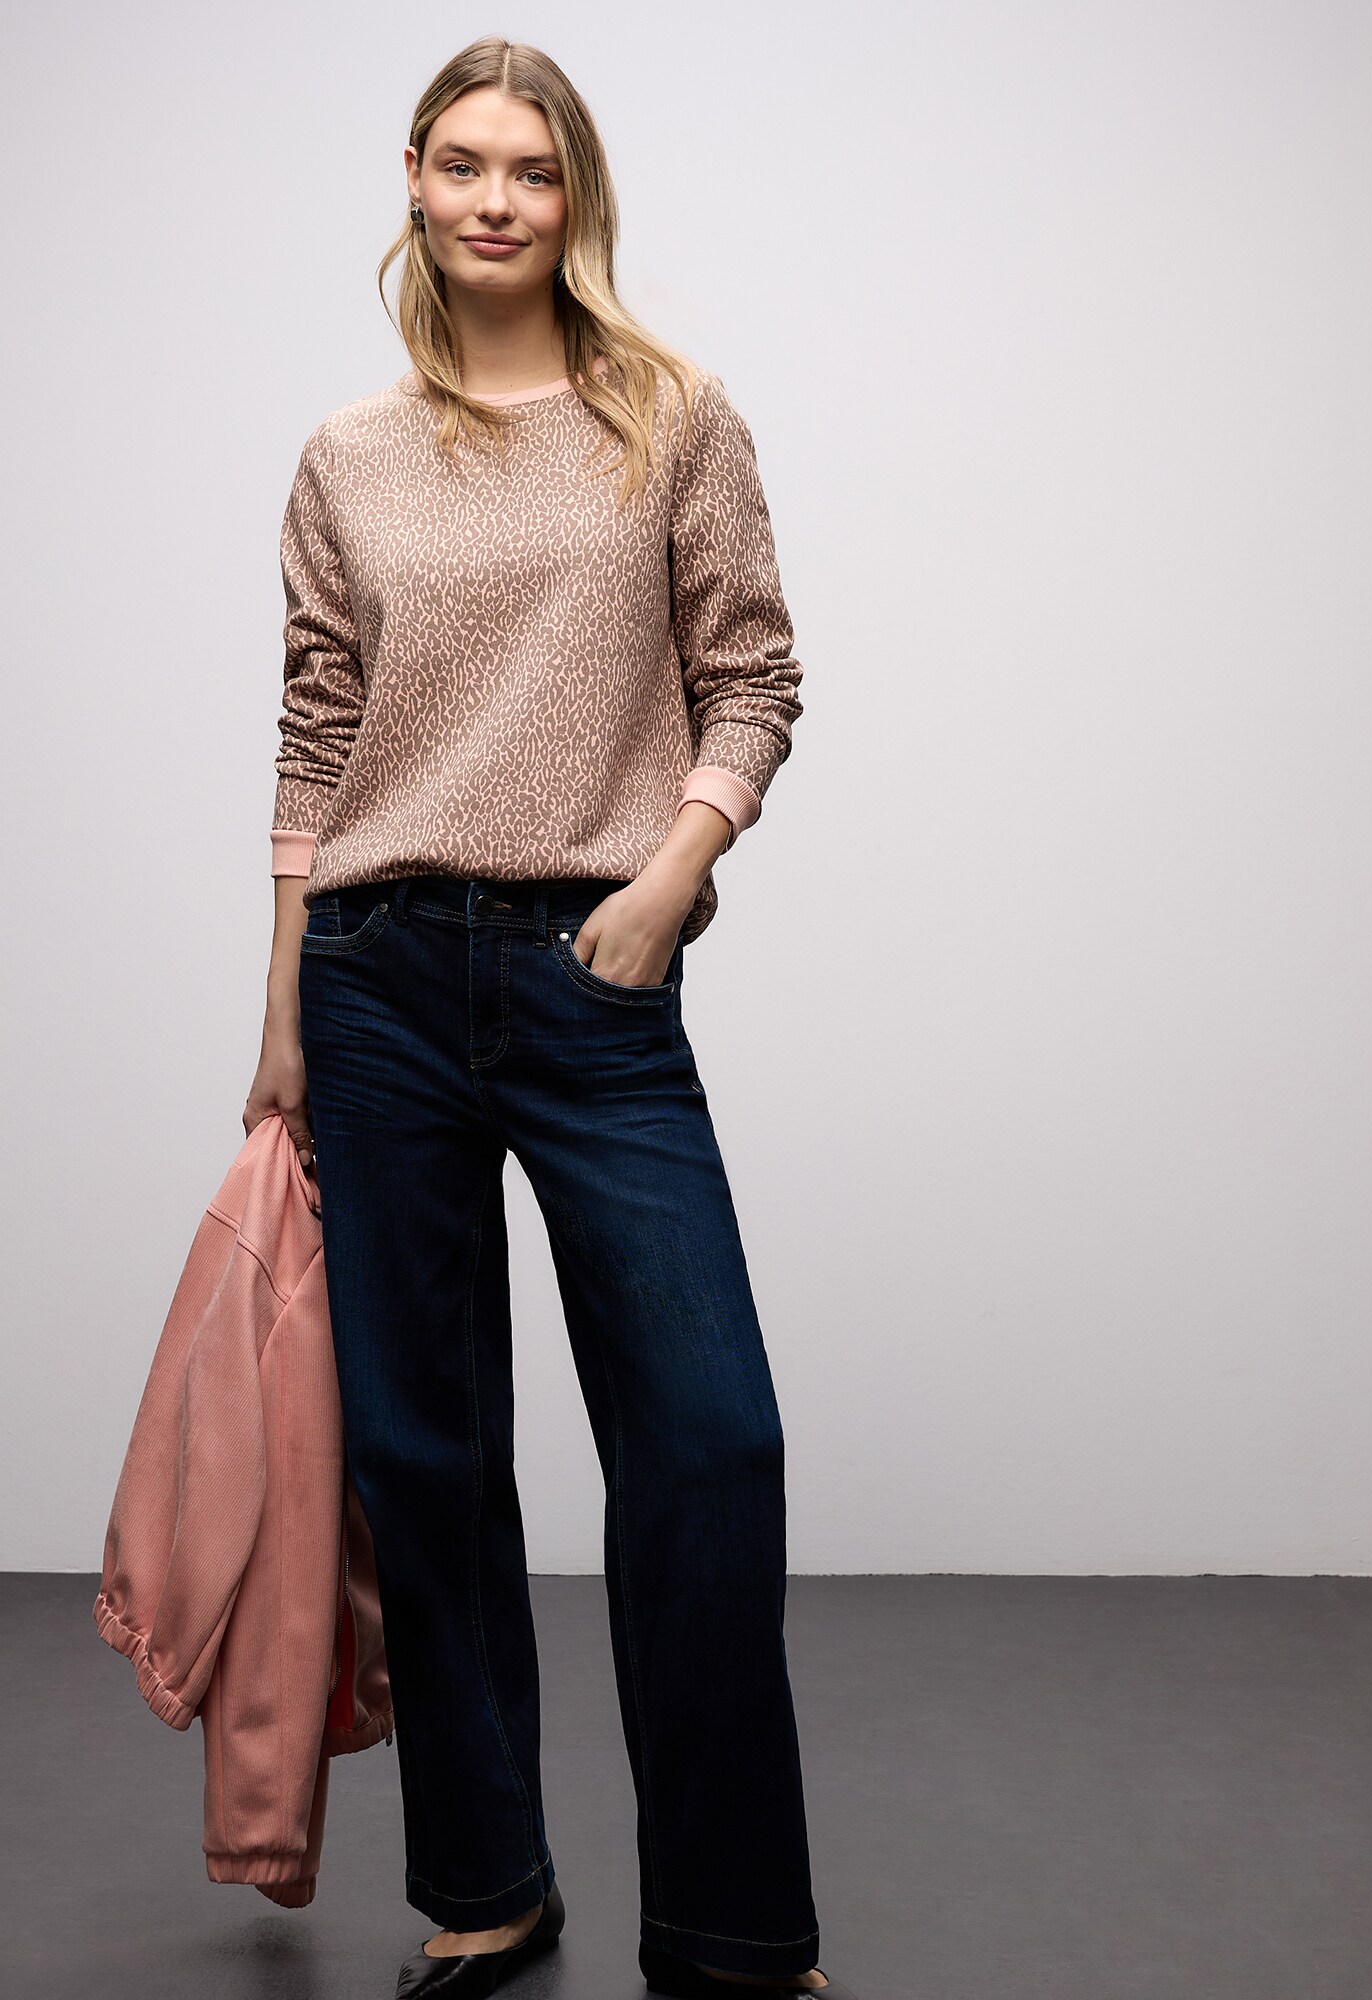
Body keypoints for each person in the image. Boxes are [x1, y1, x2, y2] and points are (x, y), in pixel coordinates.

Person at [243, 36, 858, 2000]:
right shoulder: (349, 453)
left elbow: (751, 678)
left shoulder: (669, 417)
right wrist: (281, 1008)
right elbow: (318, 732)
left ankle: (734, 1933)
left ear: (576, 193)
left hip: (595, 971)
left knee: (707, 1441)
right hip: (376, 980)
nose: (495, 200)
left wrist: (668, 883)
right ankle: (487, 1883)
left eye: (531, 168)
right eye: (463, 163)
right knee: (424, 1458)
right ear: (414, 181)